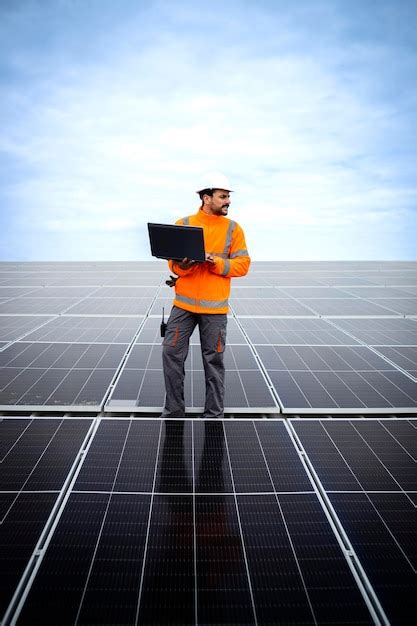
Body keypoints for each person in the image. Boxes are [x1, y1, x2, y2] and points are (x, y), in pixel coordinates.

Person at [160, 172, 251, 418]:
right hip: (184, 306)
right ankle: (174, 412)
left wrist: (217, 263)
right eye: (223, 197)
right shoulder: (183, 224)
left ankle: (213, 416)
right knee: (171, 354)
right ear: (206, 197)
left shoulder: (234, 229)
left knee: (214, 364)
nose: (227, 201)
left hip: (215, 311)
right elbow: (173, 265)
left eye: (228, 197)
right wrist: (185, 266)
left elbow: (243, 265)